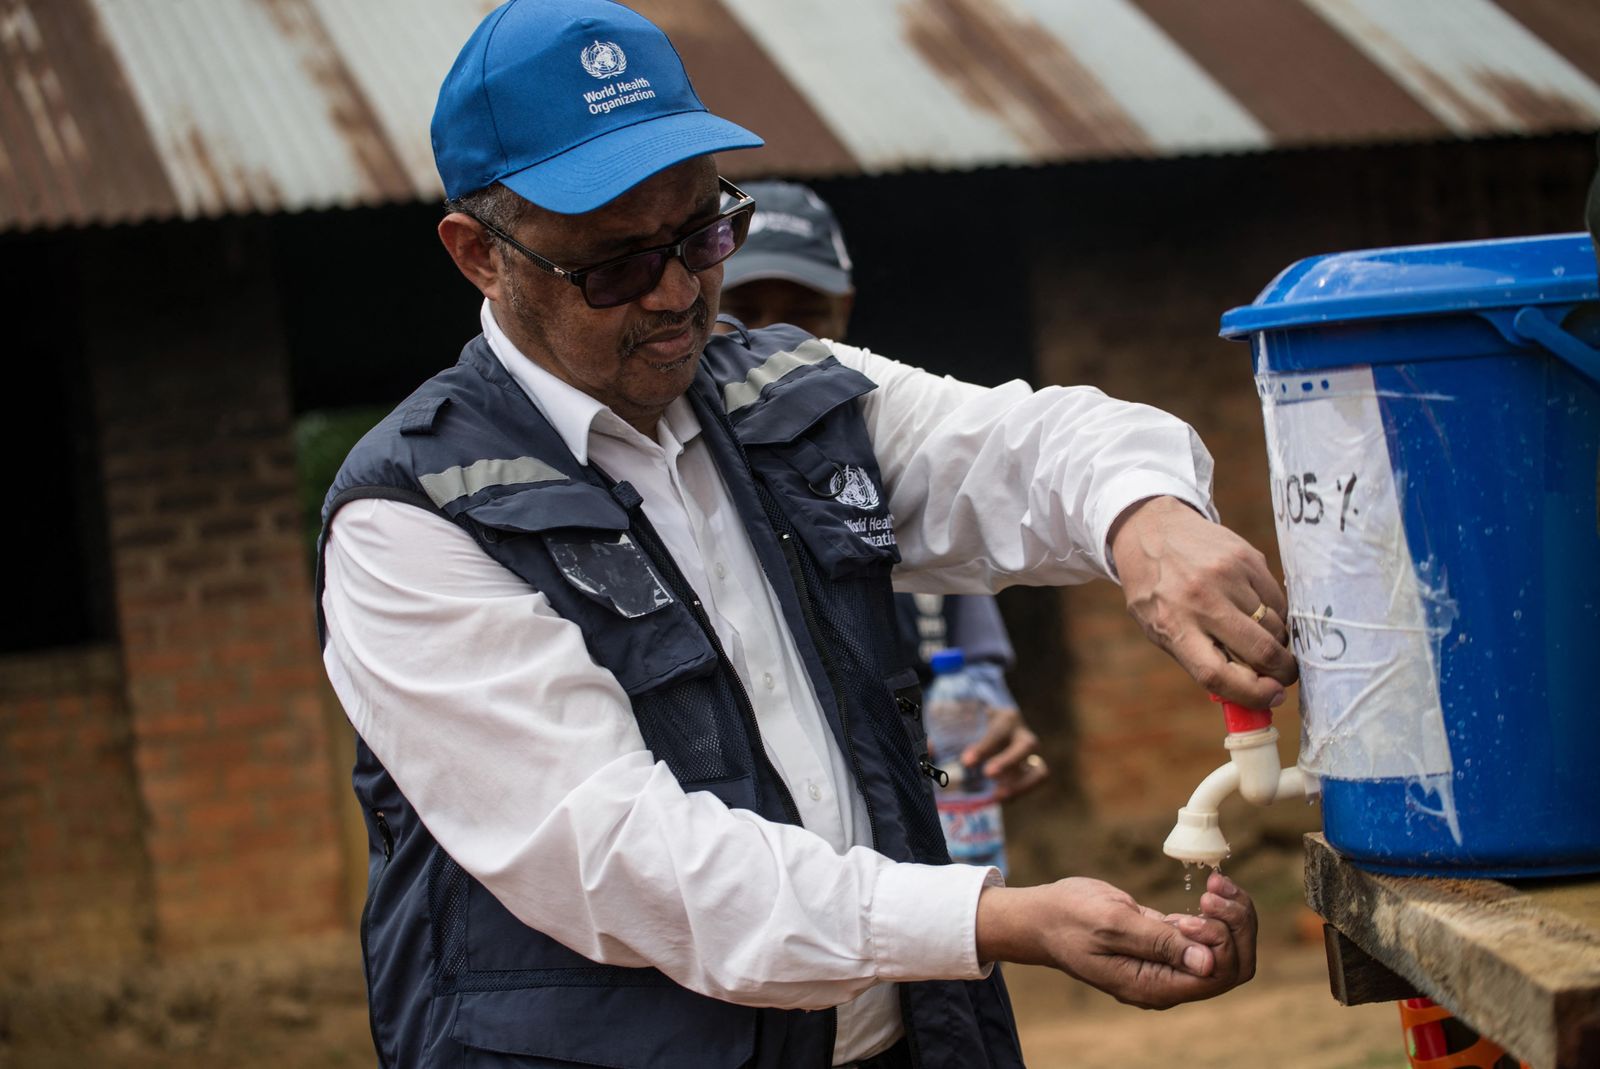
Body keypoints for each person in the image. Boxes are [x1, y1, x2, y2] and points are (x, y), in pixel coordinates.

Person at [316, 1, 1296, 1066]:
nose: (681, 292)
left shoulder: (782, 395)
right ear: (477, 254)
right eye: (614, 265)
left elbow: (1032, 443)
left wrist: (1145, 522)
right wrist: (992, 920)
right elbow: (628, 861)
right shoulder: (411, 515)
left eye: (702, 232)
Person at [719, 179, 1048, 805]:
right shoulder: (677, 479)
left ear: (844, 310)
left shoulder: (893, 460)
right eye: (744, 310)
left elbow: (971, 677)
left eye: (801, 313)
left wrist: (986, 733)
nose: (771, 341)